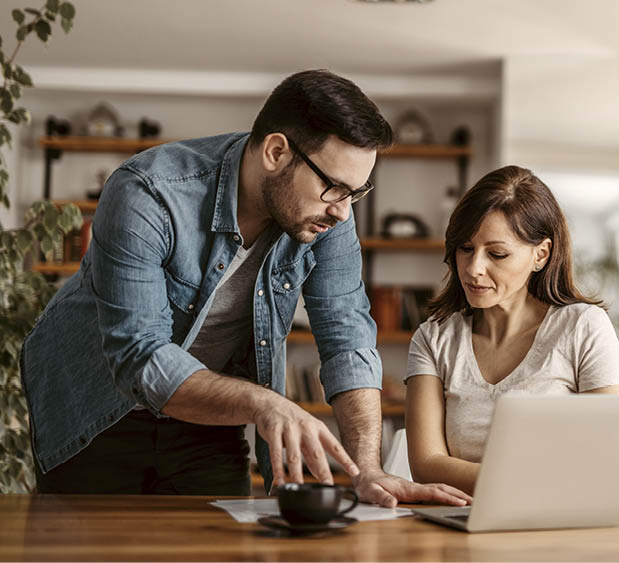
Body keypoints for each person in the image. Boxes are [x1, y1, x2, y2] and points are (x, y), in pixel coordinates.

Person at [22, 69, 471, 507]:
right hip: (97, 409)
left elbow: (347, 337)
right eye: (335, 187)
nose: (343, 212)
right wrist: (263, 402)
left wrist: (368, 469)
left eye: (356, 193)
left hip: (210, 416)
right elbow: (140, 355)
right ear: (276, 152)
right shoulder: (149, 194)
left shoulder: (331, 213)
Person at [404, 165, 619, 496]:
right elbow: (426, 464)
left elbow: (603, 455)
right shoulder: (434, 338)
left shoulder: (583, 327)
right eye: (465, 248)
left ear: (541, 255)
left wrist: (498, 482)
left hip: (557, 521)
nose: (474, 268)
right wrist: (531, 480)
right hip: (459, 522)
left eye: (497, 254)